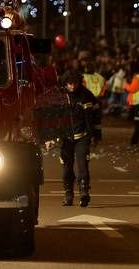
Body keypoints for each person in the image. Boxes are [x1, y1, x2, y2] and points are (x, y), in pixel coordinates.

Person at [58, 70, 100, 207]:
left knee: (83, 166)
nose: (72, 87)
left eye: (75, 83)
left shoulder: (86, 95)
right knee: (67, 168)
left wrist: (95, 135)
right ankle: (68, 194)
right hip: (66, 138)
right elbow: (51, 118)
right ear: (65, 83)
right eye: (70, 84)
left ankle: (84, 193)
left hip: (82, 136)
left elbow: (96, 114)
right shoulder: (60, 96)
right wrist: (50, 137)